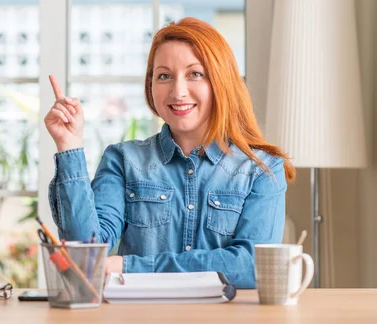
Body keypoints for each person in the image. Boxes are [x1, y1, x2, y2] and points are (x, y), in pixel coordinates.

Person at [43, 17, 296, 289]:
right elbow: (88, 257)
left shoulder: (262, 168)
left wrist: (133, 267)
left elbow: (250, 265)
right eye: (164, 76)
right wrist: (69, 146)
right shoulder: (122, 161)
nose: (178, 91)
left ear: (221, 82)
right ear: (151, 86)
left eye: (195, 74)